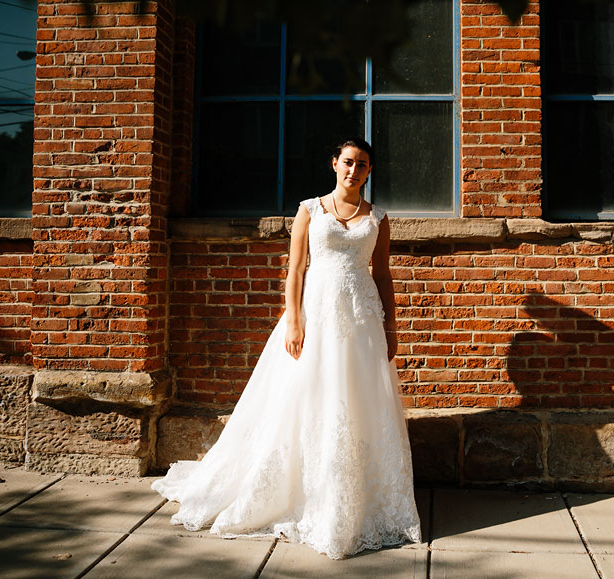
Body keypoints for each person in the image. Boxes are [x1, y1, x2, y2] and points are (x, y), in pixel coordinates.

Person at [152, 139, 421, 558]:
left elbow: (382, 274)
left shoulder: (379, 218)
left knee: (360, 401)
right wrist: (294, 320)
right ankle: (305, 492)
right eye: (348, 162)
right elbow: (295, 269)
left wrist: (392, 325)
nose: (354, 170)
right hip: (317, 315)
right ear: (335, 164)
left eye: (362, 165)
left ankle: (354, 497)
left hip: (363, 318)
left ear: (369, 171)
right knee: (307, 397)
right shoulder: (310, 210)